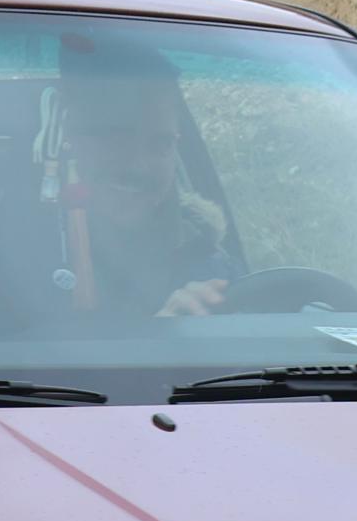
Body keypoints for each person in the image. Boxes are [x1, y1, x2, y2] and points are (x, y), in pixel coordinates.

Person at [50, 33, 237, 319]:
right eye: (115, 138)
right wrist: (164, 337)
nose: (138, 166)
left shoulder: (207, 258)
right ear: (71, 136)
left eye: (160, 144)